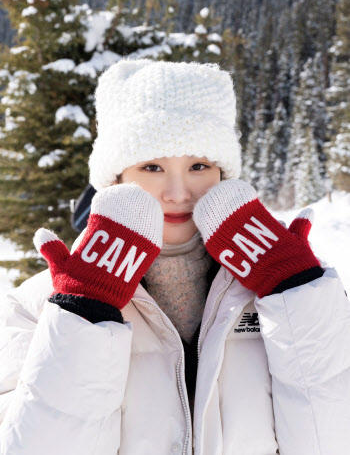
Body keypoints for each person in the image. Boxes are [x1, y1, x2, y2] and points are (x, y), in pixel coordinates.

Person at [0, 58, 349, 455]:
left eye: (199, 165)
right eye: (152, 166)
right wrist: (84, 313)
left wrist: (296, 291)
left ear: (223, 174)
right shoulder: (41, 306)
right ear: (115, 178)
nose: (179, 192)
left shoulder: (285, 289)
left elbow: (332, 441)